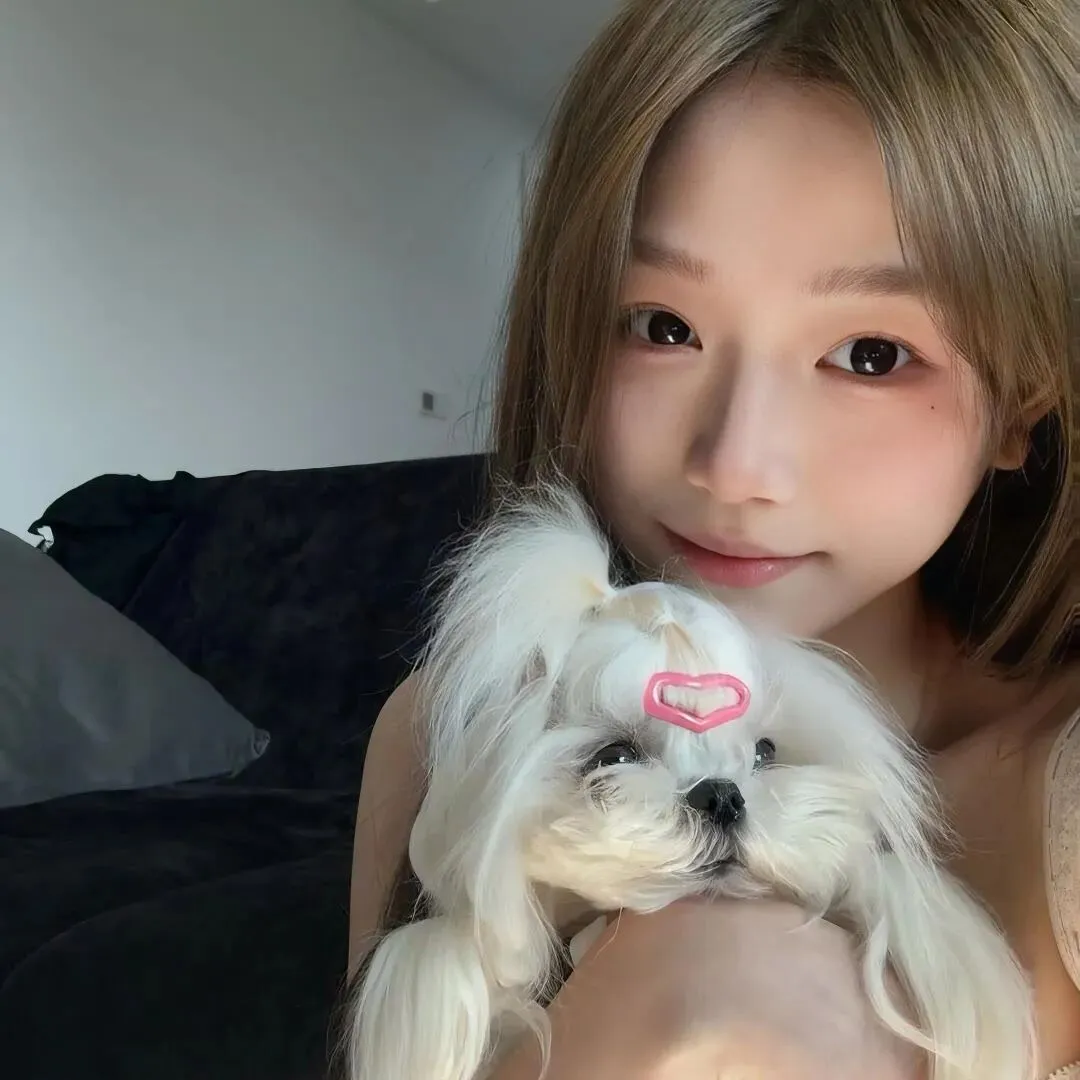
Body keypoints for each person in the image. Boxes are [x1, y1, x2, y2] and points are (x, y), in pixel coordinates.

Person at [348, 0, 1079, 1076]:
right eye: (664, 327)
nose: (736, 465)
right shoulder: (444, 725)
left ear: (1024, 402)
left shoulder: (1060, 801)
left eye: (872, 354)